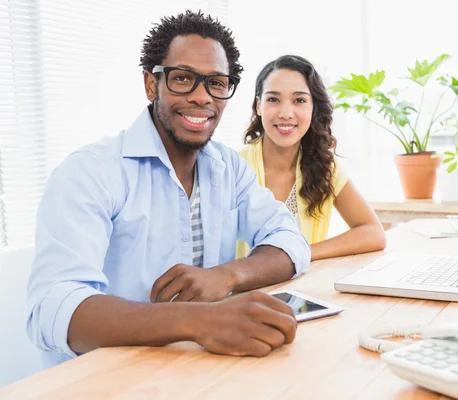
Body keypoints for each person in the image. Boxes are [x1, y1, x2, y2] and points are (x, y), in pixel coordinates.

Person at [26, 11, 310, 368]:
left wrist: (227, 275)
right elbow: (54, 308)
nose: (202, 97)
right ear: (151, 84)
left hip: (189, 370)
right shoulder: (91, 171)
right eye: (182, 79)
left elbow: (289, 239)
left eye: (216, 83)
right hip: (101, 380)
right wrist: (197, 321)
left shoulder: (228, 167)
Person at [237, 55, 386, 261]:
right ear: (258, 106)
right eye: (273, 99)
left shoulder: (323, 167)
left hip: (302, 289)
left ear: (313, 106)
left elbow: (374, 233)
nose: (286, 113)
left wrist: (301, 253)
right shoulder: (233, 167)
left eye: (299, 100)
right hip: (242, 291)